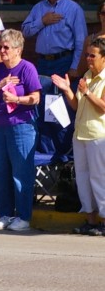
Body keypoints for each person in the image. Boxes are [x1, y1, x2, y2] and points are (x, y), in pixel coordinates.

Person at [0, 30, 41, 231]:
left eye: (6, 47)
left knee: (21, 173)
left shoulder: (27, 68)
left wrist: (17, 99)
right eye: (0, 47)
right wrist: (0, 85)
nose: (2, 51)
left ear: (18, 49)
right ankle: (5, 214)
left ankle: (23, 217)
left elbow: (36, 98)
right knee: (1, 172)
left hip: (21, 126)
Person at [52, 37, 105, 235]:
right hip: (80, 134)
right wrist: (67, 90)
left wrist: (88, 92)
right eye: (87, 55)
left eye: (93, 55)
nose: (88, 58)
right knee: (82, 178)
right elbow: (76, 105)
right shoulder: (87, 75)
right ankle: (90, 220)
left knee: (99, 178)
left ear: (104, 58)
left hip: (98, 135)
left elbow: (103, 108)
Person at [22, 0, 86, 86]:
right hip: (43, 62)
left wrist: (75, 66)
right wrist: (42, 21)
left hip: (64, 61)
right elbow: (25, 31)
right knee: (42, 95)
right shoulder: (38, 8)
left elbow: (81, 41)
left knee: (62, 96)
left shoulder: (74, 9)